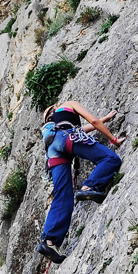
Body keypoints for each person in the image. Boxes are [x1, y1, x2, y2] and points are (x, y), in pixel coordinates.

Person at [38, 102, 122, 263]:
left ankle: (49, 241)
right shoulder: (68, 104)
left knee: (62, 196)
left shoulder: (51, 129)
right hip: (66, 138)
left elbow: (83, 129)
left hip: (53, 153)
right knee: (110, 158)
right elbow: (93, 122)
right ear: (56, 108)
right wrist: (114, 139)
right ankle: (89, 186)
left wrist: (105, 118)